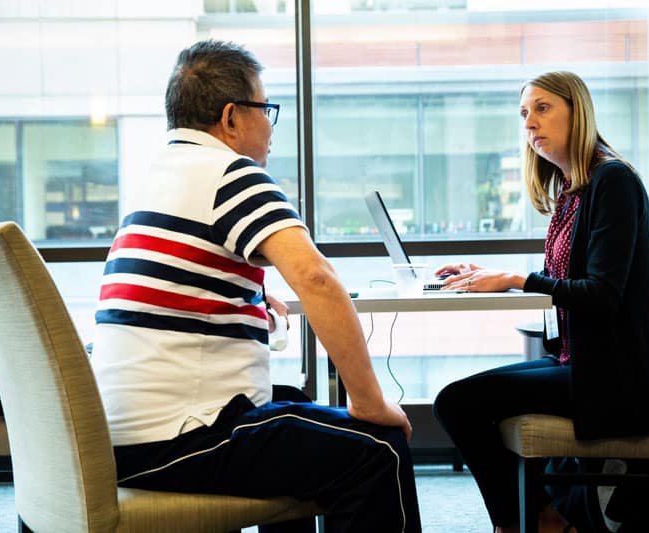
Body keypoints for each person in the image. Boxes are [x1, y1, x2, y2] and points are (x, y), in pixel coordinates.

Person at [89, 39, 421, 533]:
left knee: (286, 407)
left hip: (123, 437)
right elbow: (317, 278)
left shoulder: (160, 176)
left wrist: (244, 295)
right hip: (180, 438)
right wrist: (370, 400)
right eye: (266, 109)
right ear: (230, 118)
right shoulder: (232, 173)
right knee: (379, 451)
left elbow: (175, 281)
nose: (270, 127)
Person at [432, 71, 649, 532]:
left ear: (579, 110)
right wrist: (488, 274)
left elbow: (602, 294)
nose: (530, 123)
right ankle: (543, 518)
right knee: (458, 400)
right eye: (524, 113)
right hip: (590, 364)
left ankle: (533, 521)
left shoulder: (613, 182)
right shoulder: (575, 189)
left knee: (457, 403)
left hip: (630, 382)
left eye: (543, 108)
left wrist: (516, 279)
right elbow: (566, 278)